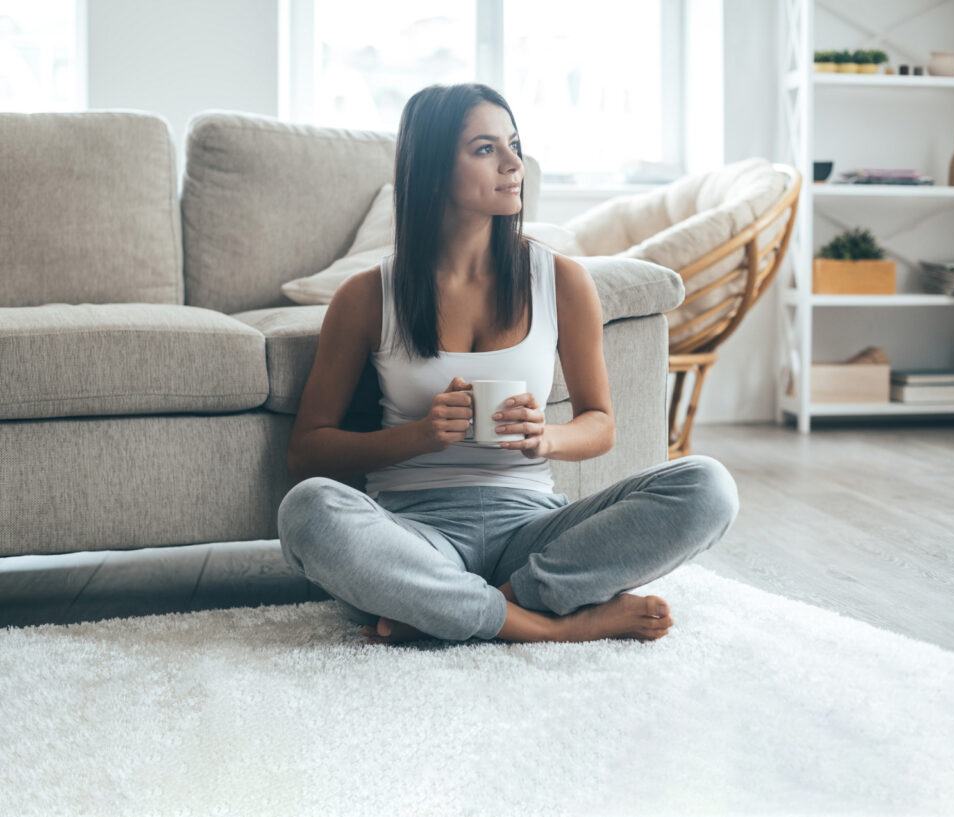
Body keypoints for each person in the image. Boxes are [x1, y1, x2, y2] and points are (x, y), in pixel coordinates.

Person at [277, 82, 739, 646]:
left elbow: (600, 423)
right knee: (307, 512)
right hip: (416, 533)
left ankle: (459, 608)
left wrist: (546, 437)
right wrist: (419, 437)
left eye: (513, 144)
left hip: (532, 528)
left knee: (709, 485)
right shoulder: (368, 296)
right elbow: (306, 453)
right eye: (485, 149)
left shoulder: (561, 281)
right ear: (432, 168)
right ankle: (555, 625)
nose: (514, 163)